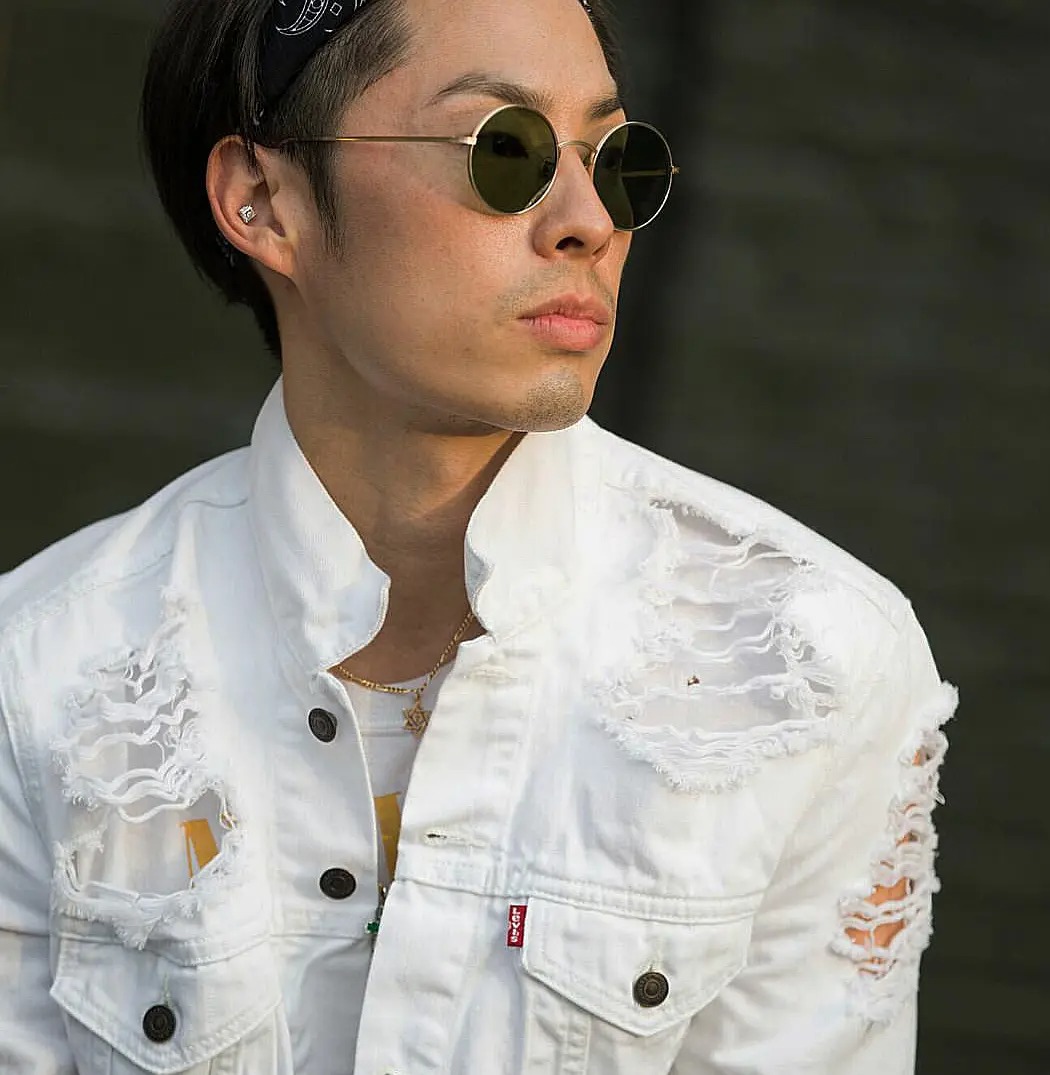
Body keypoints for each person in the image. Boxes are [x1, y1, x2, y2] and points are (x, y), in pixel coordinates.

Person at [0, 0, 958, 1071]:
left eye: (616, 160)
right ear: (263, 200)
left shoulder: (807, 668)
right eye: (506, 150)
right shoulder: (37, 680)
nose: (589, 220)